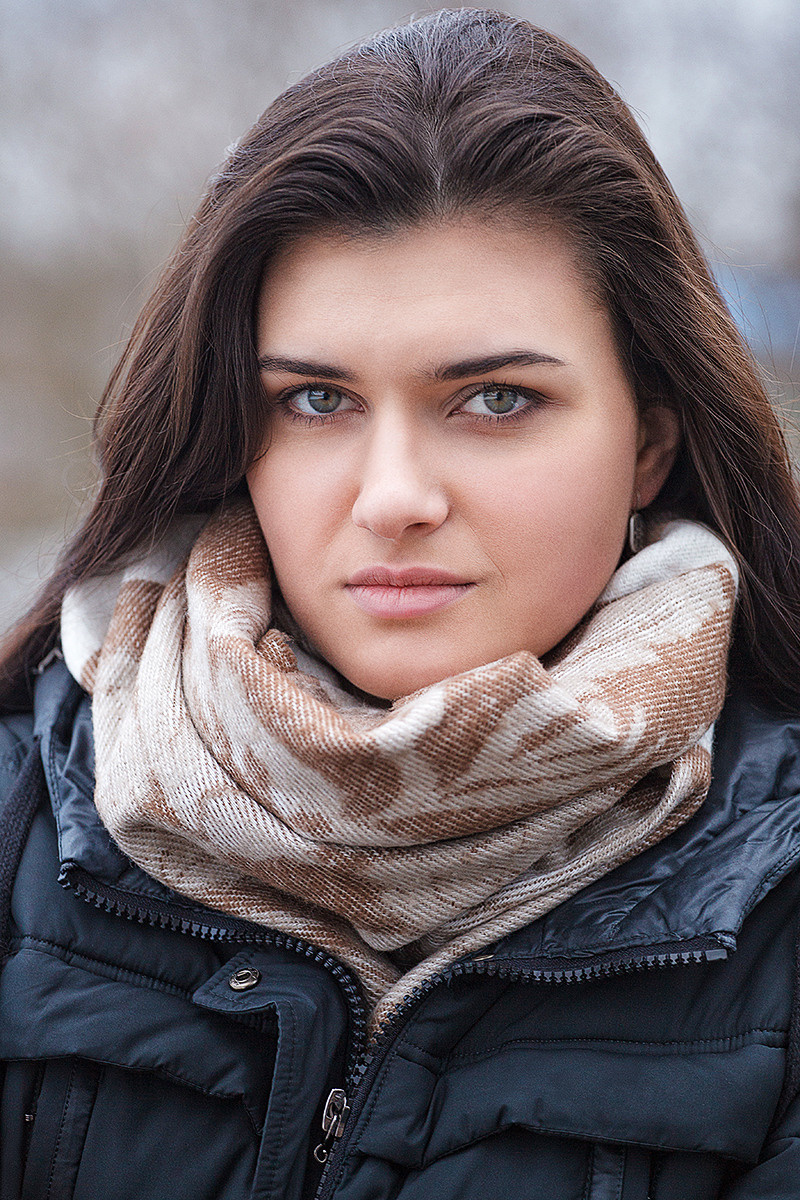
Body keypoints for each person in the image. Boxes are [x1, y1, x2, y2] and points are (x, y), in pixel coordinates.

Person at [1, 8, 800, 1198]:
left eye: (492, 401)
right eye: (317, 401)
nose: (393, 497)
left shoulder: (778, 899)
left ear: (649, 442)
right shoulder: (23, 816)